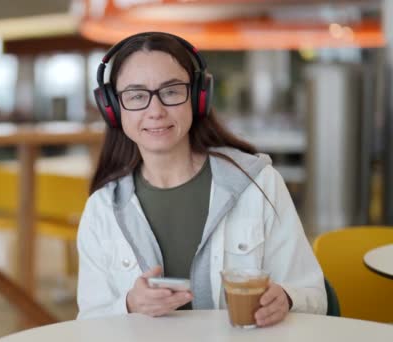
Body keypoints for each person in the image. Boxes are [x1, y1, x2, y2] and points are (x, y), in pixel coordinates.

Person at [76, 32, 326, 326]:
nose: (155, 111)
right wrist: (129, 305)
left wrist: (285, 297)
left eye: (170, 91)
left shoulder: (258, 185)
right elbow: (88, 322)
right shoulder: (103, 209)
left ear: (197, 97)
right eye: (136, 96)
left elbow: (314, 296)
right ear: (114, 108)